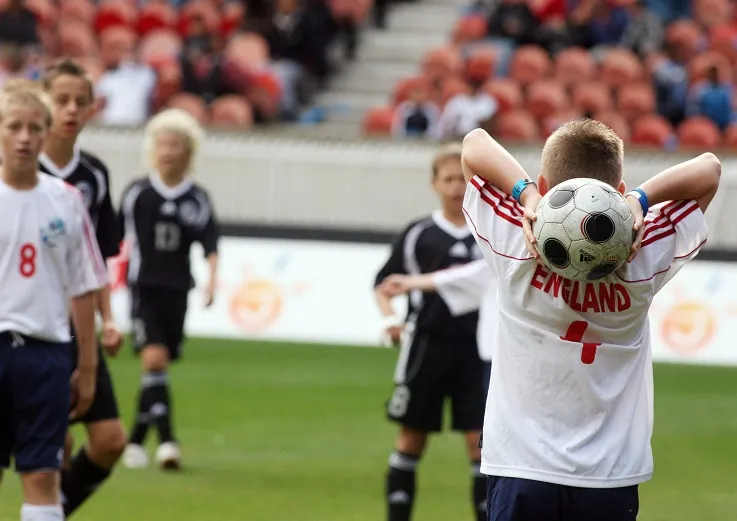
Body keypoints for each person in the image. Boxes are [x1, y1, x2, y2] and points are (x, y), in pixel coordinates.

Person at [460, 121, 720, 521]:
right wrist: (639, 200)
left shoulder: (517, 235)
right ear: (617, 189)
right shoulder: (643, 243)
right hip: (610, 474)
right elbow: (709, 169)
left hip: (520, 466)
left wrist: (528, 196)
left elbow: (474, 145)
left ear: (546, 184)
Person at [0, 87, 107, 521]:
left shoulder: (66, 199)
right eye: (14, 128)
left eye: (34, 128)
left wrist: (87, 365)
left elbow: (83, 285)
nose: (24, 137)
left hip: (46, 355)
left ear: (47, 135)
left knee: (44, 477)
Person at [374, 143, 488, 521]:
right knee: (411, 437)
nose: (457, 187)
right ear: (434, 184)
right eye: (449, 179)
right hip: (426, 346)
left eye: (463, 179)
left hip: (478, 351)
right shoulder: (418, 233)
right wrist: (391, 321)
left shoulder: (489, 234)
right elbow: (385, 284)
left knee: (481, 444)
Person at [35, 59, 126, 517]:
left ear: (93, 109)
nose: (71, 109)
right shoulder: (19, 167)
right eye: (61, 99)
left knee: (110, 441)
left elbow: (98, 260)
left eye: (80, 101)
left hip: (79, 322)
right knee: (55, 444)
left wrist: (109, 318)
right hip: (31, 322)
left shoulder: (94, 176)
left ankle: (52, 511)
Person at [119, 108, 219, 471]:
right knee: (154, 359)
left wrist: (212, 280)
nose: (167, 151)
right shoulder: (138, 194)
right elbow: (114, 238)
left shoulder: (198, 199)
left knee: (158, 370)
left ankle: (134, 441)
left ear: (188, 150)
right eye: (162, 143)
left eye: (175, 144)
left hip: (178, 289)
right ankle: (167, 442)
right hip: (144, 286)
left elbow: (210, 243)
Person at [378, 259, 495, 390]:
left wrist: (408, 282)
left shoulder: (499, 263)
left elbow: (462, 275)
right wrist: (408, 282)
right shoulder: (497, 265)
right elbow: (459, 276)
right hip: (495, 357)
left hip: (500, 358)